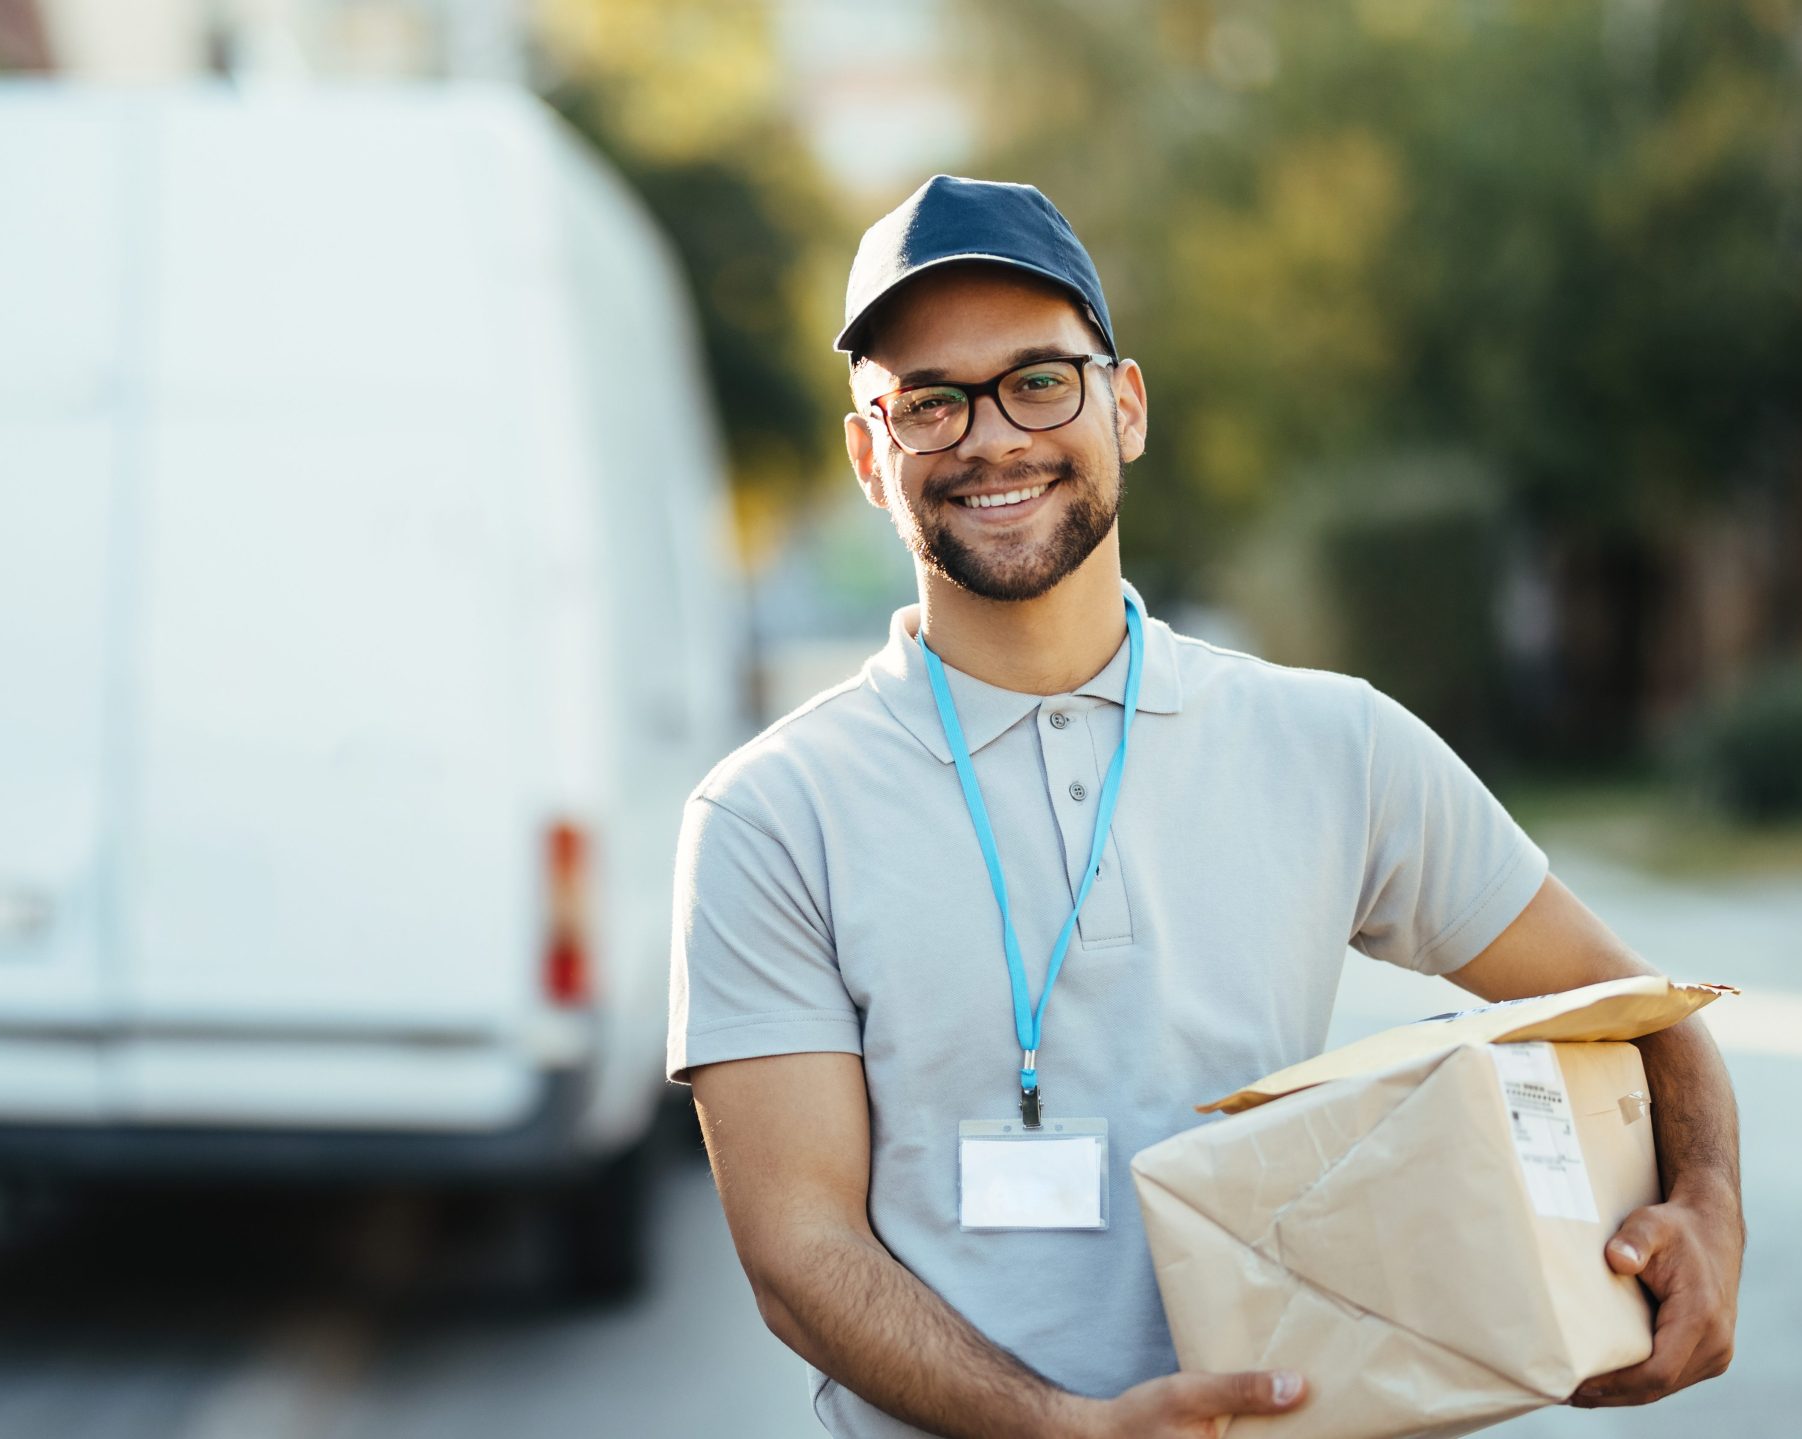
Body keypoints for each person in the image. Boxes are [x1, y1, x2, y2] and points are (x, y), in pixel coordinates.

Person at [666, 176, 1743, 1439]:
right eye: (928, 402)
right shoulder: (768, 814)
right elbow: (797, 1251)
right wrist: (1063, 1426)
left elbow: (1637, 1012)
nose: (990, 437)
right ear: (869, 455)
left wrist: (1710, 1205)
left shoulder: (1331, 741)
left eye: (1039, 380)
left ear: (1122, 406)